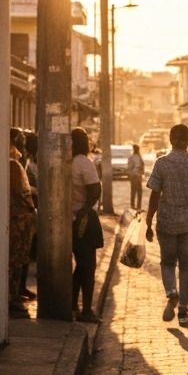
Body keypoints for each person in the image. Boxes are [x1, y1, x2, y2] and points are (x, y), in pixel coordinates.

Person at [145, 123, 188, 327]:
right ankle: (183, 312)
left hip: (166, 222)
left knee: (167, 262)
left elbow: (154, 195)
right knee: (186, 266)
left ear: (170, 140)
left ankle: (171, 293)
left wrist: (148, 221)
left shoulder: (161, 164)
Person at [71, 126, 104, 322]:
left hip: (71, 219)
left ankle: (73, 304)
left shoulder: (66, 162)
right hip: (84, 219)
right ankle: (86, 311)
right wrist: (84, 211)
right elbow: (95, 190)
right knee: (88, 266)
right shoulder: (84, 163)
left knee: (80, 265)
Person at [8, 128, 36, 318]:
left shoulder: (14, 164)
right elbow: (21, 192)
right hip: (17, 219)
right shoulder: (12, 165)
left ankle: (16, 294)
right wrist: (31, 207)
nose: (21, 148)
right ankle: (12, 297)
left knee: (19, 259)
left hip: (19, 218)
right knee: (15, 260)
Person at [128, 142, 145, 211]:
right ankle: (137, 206)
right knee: (138, 191)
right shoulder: (137, 157)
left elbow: (129, 167)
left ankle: (135, 205)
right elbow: (142, 166)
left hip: (135, 176)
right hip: (136, 176)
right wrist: (140, 173)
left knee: (135, 191)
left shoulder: (133, 157)